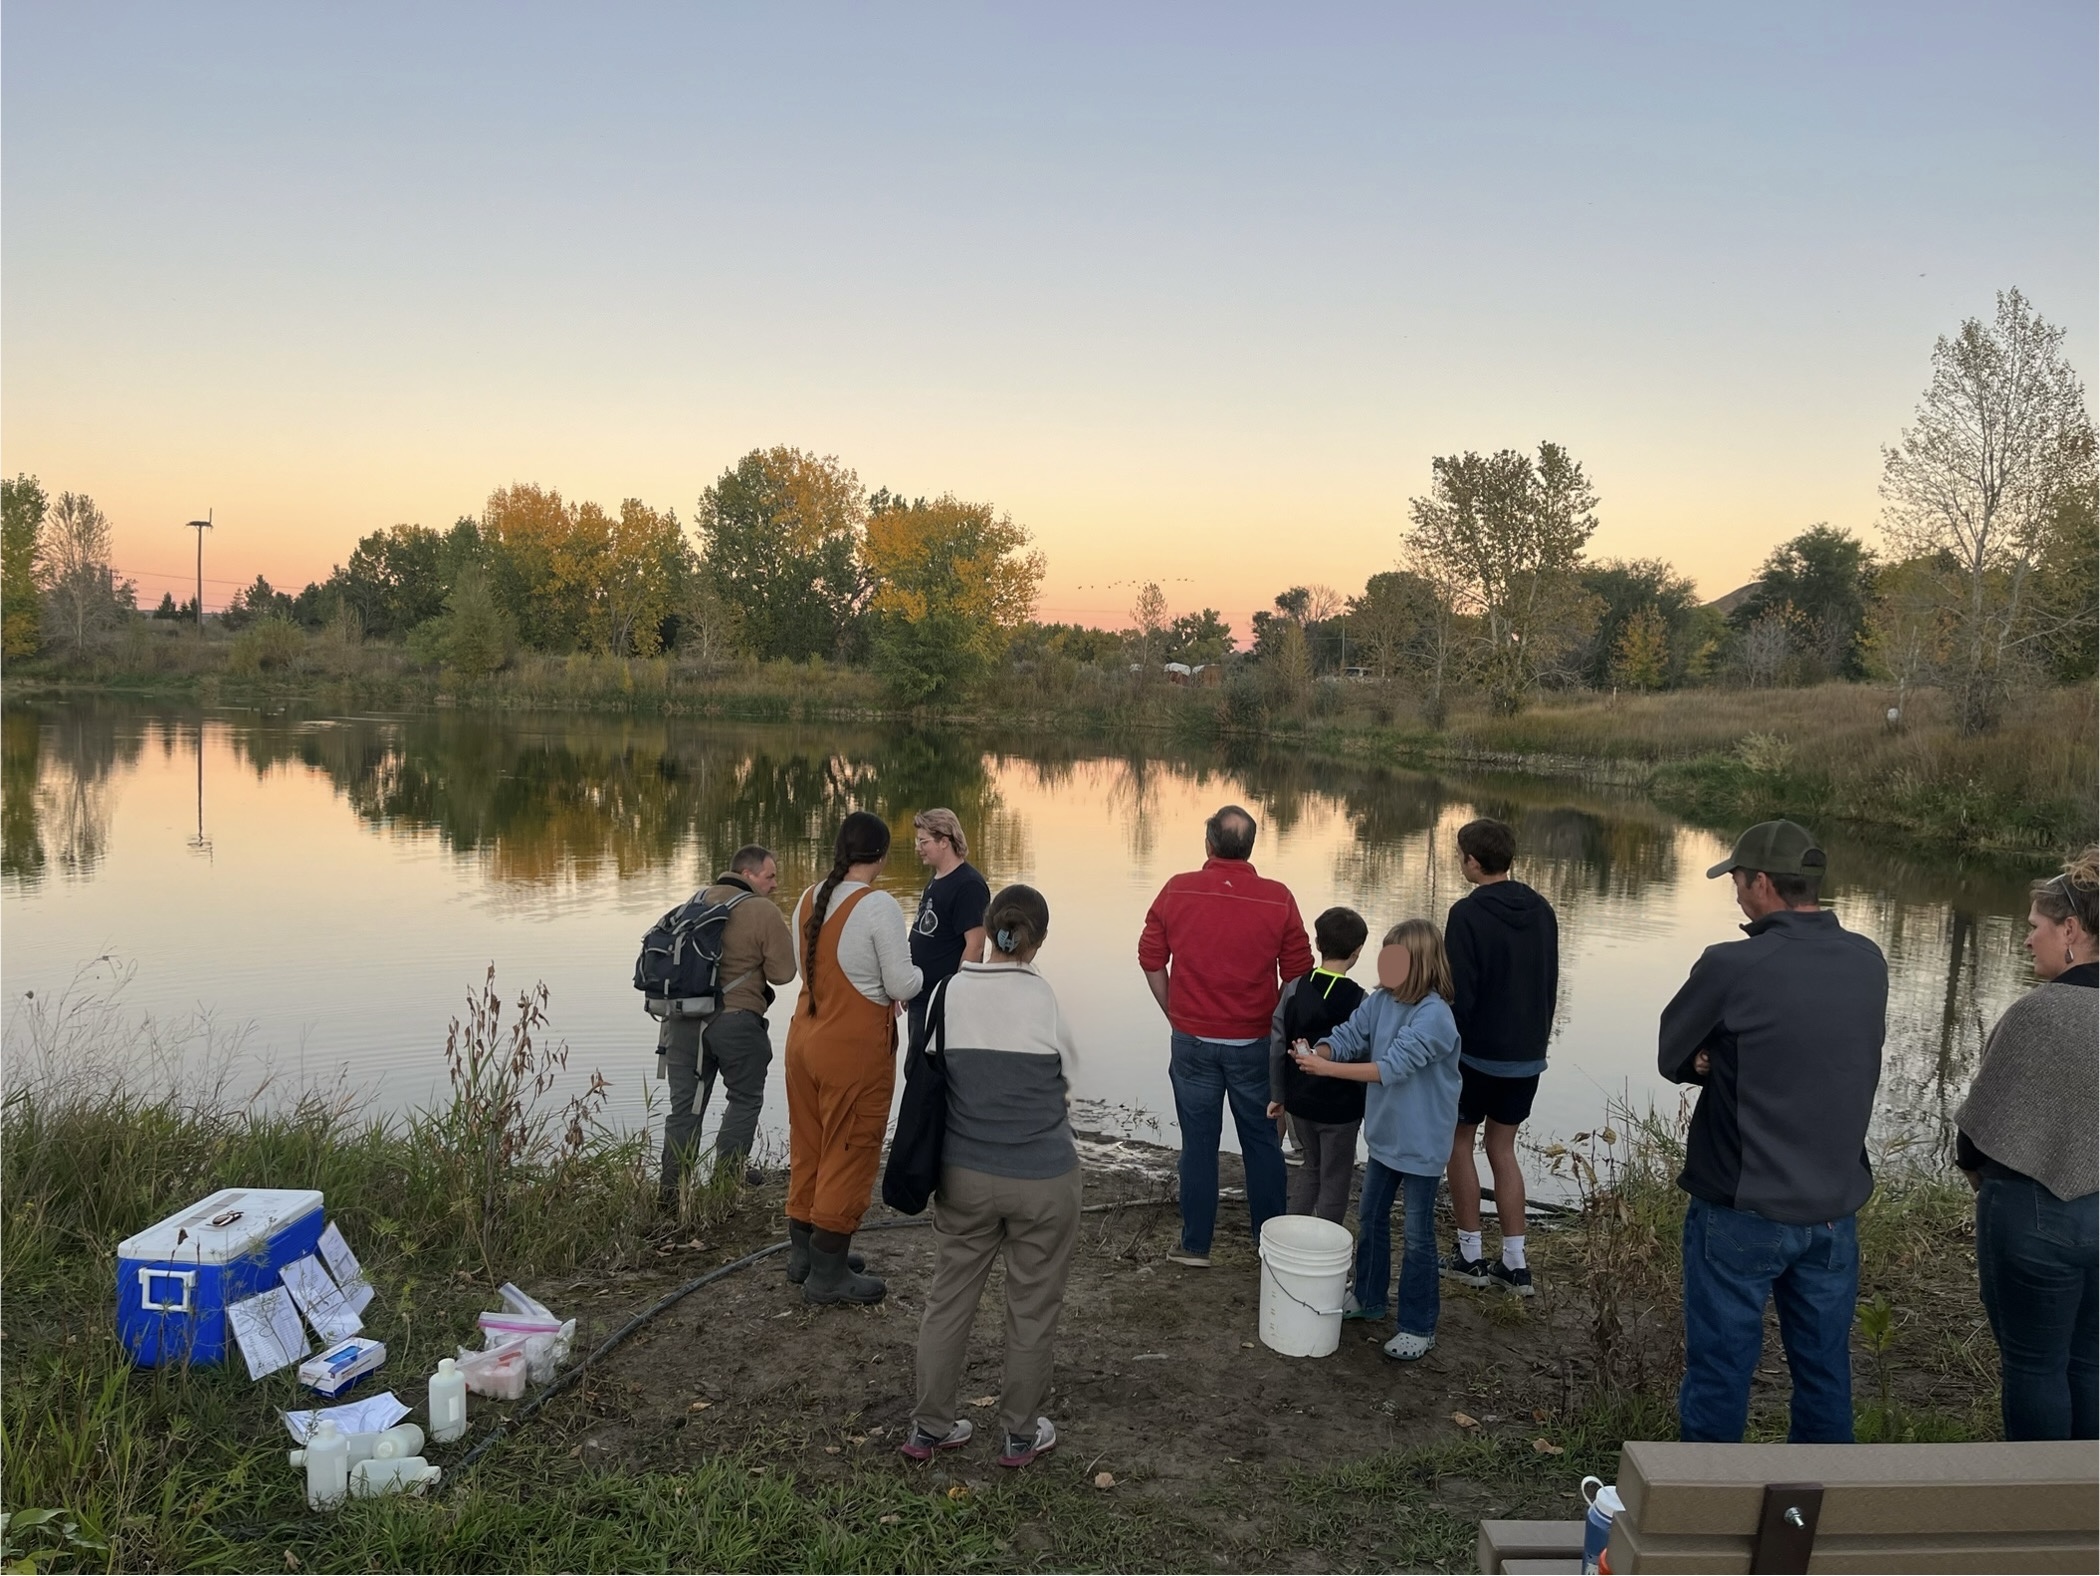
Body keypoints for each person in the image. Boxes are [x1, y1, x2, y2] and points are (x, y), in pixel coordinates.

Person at [1659, 819, 1886, 1444]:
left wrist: (1710, 1057)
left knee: (1720, 1371)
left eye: (1736, 878)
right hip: (1834, 1211)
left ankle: (1705, 1516)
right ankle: (1815, 1515)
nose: (1734, 890)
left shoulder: (1731, 964)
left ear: (1761, 882)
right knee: (1824, 1373)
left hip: (1743, 1209)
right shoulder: (1869, 960)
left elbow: (1673, 1052)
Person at [902, 885, 1080, 1471]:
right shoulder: (1049, 999)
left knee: (949, 1298)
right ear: (1041, 939)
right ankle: (1021, 1437)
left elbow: (927, 1071)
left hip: (965, 1176)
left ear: (988, 927)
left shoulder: (950, 991)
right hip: (1044, 1178)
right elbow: (1075, 1082)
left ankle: (930, 1429)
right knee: (1032, 1306)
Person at [1955, 848, 2097, 1442]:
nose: (2026, 939)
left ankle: (2038, 1512)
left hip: (2035, 1217)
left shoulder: (2036, 1014)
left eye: (2034, 927)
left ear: (2069, 930)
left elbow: (1976, 1137)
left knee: (2036, 1368)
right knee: (2092, 1366)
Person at [1138, 804, 1313, 1267]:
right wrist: (1275, 1020)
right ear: (1250, 847)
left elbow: (1151, 957)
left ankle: (1196, 1245)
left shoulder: (1178, 888)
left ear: (1209, 843)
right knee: (1261, 1141)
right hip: (1254, 1042)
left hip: (1192, 1037)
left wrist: (1174, 1010)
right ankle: (1268, 1245)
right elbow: (1297, 974)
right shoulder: (1278, 897)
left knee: (1198, 1143)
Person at [1290, 918, 1461, 1361]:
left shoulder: (1435, 1016)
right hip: (1385, 1135)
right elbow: (1350, 1036)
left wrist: (1327, 1071)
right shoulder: (1381, 1001)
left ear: (1418, 964)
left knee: (1418, 1236)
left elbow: (1391, 1068)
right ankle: (1368, 1298)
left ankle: (1418, 1326)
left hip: (1422, 1142)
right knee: (1370, 1218)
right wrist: (1319, 1052)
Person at [785, 811, 922, 1304]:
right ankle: (828, 1275)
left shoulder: (807, 897)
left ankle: (807, 1255)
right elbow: (901, 984)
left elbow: (805, 969)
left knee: (811, 1145)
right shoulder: (878, 905)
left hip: (803, 1038)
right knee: (849, 1150)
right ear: (883, 855)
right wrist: (926, 974)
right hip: (851, 1050)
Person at [1440, 817, 1558, 1297]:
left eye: (1461, 855)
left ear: (1472, 860)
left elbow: (1458, 995)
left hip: (1476, 1055)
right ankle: (1515, 1263)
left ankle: (1470, 1255)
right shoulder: (1542, 909)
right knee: (1502, 1149)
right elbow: (1550, 981)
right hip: (1526, 1056)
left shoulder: (1466, 914)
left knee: (1459, 1142)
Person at [659, 844, 799, 1202]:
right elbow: (783, 974)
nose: (775, 885)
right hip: (737, 1021)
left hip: (683, 1021)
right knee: (744, 1099)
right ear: (748, 874)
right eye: (770, 876)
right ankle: (725, 1183)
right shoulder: (762, 911)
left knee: (685, 1108)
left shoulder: (693, 902)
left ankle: (672, 1193)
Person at [1266, 907, 1370, 1224]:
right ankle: (1325, 1243)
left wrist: (1278, 1094)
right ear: (1357, 952)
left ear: (1317, 943)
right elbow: (1367, 1053)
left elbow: (1276, 1045)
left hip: (1300, 1102)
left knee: (1311, 1168)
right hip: (1342, 1109)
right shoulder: (1362, 999)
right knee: (1336, 1177)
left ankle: (1292, 1235)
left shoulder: (1294, 989)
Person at [907, 808, 989, 1049]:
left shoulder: (968, 885)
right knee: (915, 1069)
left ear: (945, 841)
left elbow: (975, 946)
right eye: (917, 841)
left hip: (941, 1001)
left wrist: (956, 997)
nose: (918, 847)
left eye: (924, 841)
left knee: (929, 1073)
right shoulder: (937, 879)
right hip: (920, 995)